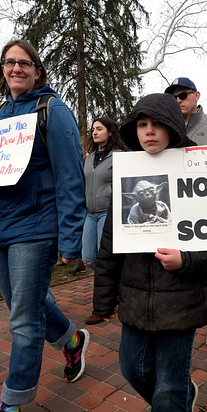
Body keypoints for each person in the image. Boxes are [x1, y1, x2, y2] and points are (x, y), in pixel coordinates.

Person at [0, 39, 88, 412]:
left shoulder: (55, 111)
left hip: (36, 226)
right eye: (9, 62)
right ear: (3, 69)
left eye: (24, 63)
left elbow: (71, 178)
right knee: (22, 304)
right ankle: (72, 338)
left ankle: (10, 409)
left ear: (37, 69)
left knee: (23, 320)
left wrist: (70, 240)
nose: (16, 68)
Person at [93, 93, 207, 412]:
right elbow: (109, 246)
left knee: (169, 386)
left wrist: (187, 260)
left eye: (157, 124)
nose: (149, 132)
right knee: (132, 368)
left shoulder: (196, 173)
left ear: (173, 127)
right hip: (136, 297)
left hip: (183, 300)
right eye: (142, 125)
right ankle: (182, 398)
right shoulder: (128, 172)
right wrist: (103, 301)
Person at [165, 76, 207, 347]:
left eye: (183, 95)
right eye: (174, 96)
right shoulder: (164, 125)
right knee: (178, 266)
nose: (178, 100)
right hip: (176, 211)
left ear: (197, 95)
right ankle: (184, 319)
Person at [79, 117, 127, 324]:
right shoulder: (89, 158)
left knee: (105, 256)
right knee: (89, 258)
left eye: (99, 128)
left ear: (110, 132)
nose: (94, 132)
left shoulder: (120, 157)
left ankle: (104, 302)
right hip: (90, 213)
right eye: (92, 129)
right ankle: (116, 287)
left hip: (108, 212)